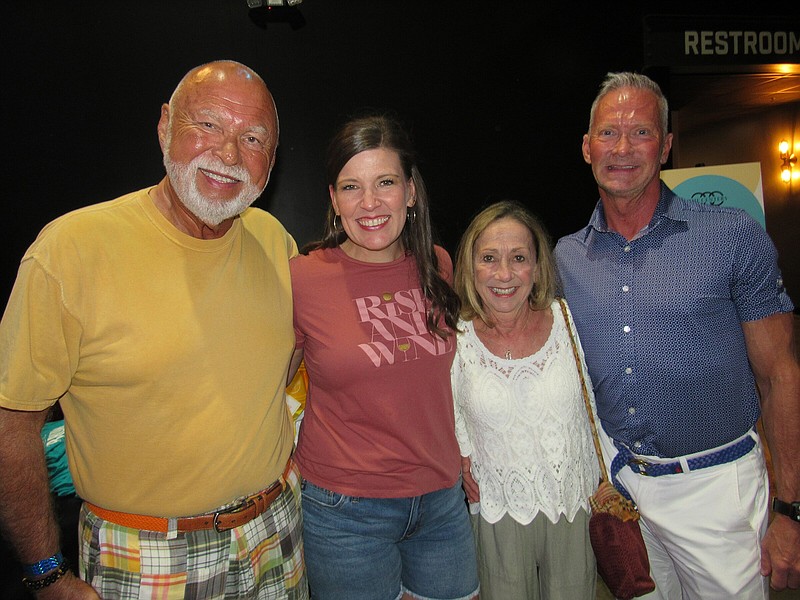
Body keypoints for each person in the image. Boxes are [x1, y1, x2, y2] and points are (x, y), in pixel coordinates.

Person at [0, 60, 308, 599]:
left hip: (276, 534)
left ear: (271, 160)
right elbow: (11, 421)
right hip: (145, 557)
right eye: (208, 125)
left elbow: (286, 365)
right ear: (165, 125)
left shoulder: (275, 240)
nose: (229, 154)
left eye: (252, 137)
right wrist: (46, 572)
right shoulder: (70, 251)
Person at [554, 71, 800, 598]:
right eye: (608, 133)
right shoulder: (567, 257)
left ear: (666, 146)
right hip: (625, 494)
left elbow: (781, 375)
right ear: (585, 147)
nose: (622, 148)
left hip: (718, 495)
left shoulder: (729, 235)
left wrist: (791, 510)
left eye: (641, 132)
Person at [287, 113, 479, 600]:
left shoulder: (438, 264)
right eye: (352, 187)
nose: (369, 203)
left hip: (440, 501)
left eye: (385, 183)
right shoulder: (303, 278)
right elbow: (269, 384)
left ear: (411, 192)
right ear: (333, 199)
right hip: (344, 512)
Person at [451, 201, 599, 599]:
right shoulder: (456, 339)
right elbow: (448, 416)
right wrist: (462, 454)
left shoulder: (568, 320)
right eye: (489, 258)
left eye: (518, 258)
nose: (503, 274)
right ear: (471, 266)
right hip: (498, 508)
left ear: (537, 268)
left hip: (573, 502)